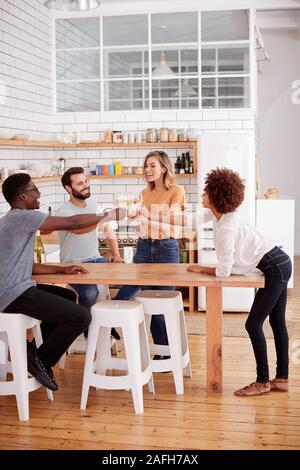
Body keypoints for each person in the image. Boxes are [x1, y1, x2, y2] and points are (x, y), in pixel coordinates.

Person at [0, 173, 126, 391]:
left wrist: (61, 268)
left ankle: (36, 355)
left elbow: (27, 266)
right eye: (34, 190)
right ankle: (41, 359)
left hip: (16, 288)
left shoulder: (13, 220)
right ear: (22, 196)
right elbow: (74, 222)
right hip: (12, 294)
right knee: (81, 316)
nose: (38, 194)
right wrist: (108, 215)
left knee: (68, 296)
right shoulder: (22, 217)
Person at [187, 168, 292, 396]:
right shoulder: (220, 214)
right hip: (280, 262)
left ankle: (263, 382)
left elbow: (224, 271)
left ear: (215, 197)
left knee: (253, 325)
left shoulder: (225, 226)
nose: (202, 196)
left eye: (206, 192)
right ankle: (281, 379)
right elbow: (190, 219)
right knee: (277, 324)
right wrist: (151, 216)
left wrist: (202, 268)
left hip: (275, 267)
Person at [114, 151, 186, 357]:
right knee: (147, 300)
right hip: (144, 246)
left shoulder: (176, 191)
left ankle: (168, 351)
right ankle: (162, 349)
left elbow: (173, 218)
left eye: (152, 165)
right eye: (146, 166)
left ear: (164, 168)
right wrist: (136, 215)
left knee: (162, 300)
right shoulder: (144, 193)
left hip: (166, 247)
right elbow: (143, 221)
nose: (148, 170)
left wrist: (145, 213)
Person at [56, 167, 122, 340]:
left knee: (127, 278)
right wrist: (105, 217)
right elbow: (79, 229)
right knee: (90, 293)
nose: (85, 186)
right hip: (72, 264)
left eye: (86, 181)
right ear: (68, 188)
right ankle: (86, 326)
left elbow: (107, 228)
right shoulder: (64, 212)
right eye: (80, 183)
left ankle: (108, 321)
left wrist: (116, 253)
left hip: (96, 259)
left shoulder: (93, 203)